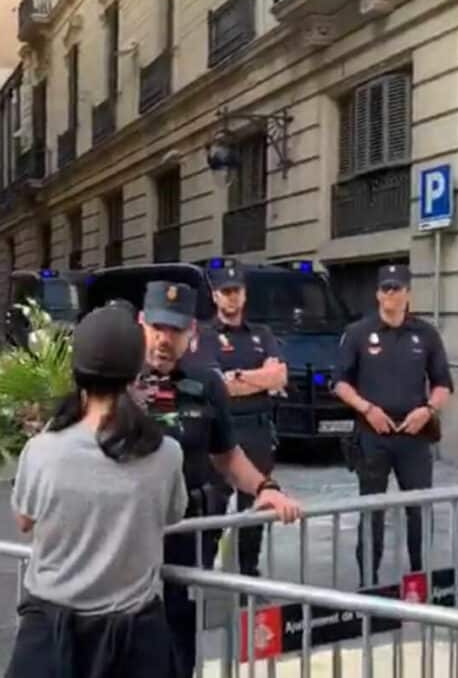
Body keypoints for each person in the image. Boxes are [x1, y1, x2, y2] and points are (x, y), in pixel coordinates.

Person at [7, 305, 187, 678]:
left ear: (77, 371)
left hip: (52, 638)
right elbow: (172, 515)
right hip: (136, 643)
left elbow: (24, 519)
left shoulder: (42, 450)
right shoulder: (166, 453)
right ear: (136, 372)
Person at [135, 281, 302, 678]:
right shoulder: (114, 381)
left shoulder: (206, 384)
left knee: (179, 639)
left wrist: (265, 488)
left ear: (191, 330)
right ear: (141, 323)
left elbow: (226, 455)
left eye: (175, 330)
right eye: (157, 327)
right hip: (129, 535)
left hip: (187, 533)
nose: (164, 339)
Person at [333, 265, 453, 587]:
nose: (391, 295)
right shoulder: (358, 333)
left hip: (414, 437)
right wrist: (367, 408)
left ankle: (419, 579)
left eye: (397, 288)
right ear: (377, 294)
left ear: (408, 293)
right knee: (372, 511)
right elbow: (340, 384)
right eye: (385, 289)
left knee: (418, 510)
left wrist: (427, 410)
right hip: (373, 436)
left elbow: (443, 385)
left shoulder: (426, 334)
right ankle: (368, 583)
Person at [193, 263, 288, 577]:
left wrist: (237, 376)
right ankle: (202, 572)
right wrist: (257, 378)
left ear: (245, 294)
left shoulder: (262, 334)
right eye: (226, 292)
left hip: (258, 430)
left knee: (256, 505)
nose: (232, 298)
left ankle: (248, 572)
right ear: (215, 296)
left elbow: (279, 378)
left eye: (237, 291)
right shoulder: (204, 335)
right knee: (212, 506)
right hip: (220, 429)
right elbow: (214, 384)